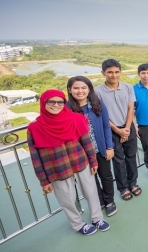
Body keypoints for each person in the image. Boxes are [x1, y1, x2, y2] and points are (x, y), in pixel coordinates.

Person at [28, 89, 110, 235]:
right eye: (51, 101)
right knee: (67, 199)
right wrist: (44, 181)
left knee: (91, 192)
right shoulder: (35, 128)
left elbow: (86, 141)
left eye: (60, 102)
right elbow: (35, 157)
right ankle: (78, 224)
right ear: (43, 103)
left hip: (80, 162)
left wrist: (93, 161)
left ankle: (97, 218)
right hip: (57, 168)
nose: (56, 105)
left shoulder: (75, 118)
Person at [67, 76, 118, 217]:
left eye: (84, 87)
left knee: (106, 176)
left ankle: (109, 201)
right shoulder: (67, 109)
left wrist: (109, 146)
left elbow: (106, 126)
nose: (80, 91)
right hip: (82, 153)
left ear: (89, 89)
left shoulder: (96, 103)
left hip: (100, 149)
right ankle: (99, 201)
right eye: (76, 88)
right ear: (70, 90)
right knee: (90, 180)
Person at [95, 59, 141, 201]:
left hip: (128, 127)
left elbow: (130, 108)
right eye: (109, 72)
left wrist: (127, 128)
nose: (113, 75)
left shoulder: (127, 87)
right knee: (118, 160)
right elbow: (101, 114)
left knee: (131, 157)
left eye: (116, 72)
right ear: (103, 73)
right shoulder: (97, 92)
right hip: (111, 130)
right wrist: (118, 130)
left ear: (120, 72)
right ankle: (123, 187)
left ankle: (133, 183)